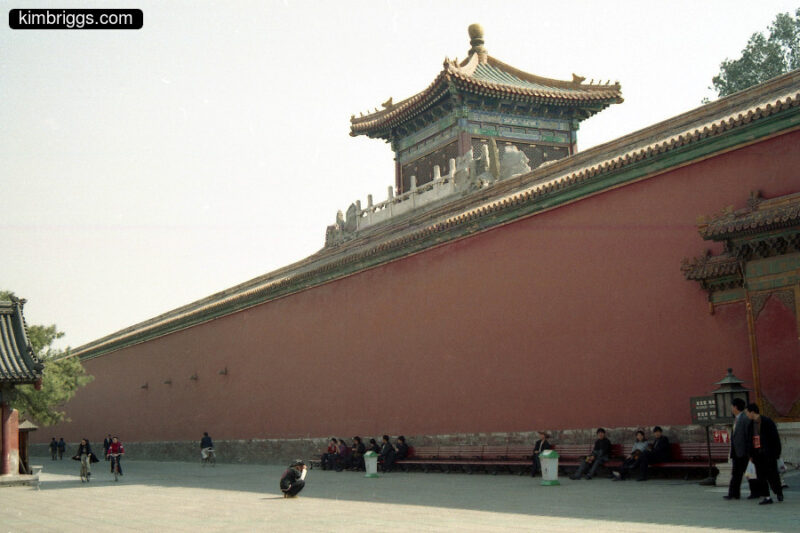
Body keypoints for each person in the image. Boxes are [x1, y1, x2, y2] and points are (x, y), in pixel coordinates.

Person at [745, 403, 784, 504]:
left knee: (773, 476)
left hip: (768, 454)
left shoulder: (767, 422)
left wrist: (776, 453)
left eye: (747, 412)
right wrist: (750, 455)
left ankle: (778, 492)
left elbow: (775, 438)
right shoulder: (750, 425)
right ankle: (767, 496)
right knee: (761, 477)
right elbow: (749, 440)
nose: (747, 415)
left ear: (752, 412)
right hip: (757, 454)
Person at [724, 398, 750, 500]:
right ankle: (733, 493)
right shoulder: (737, 419)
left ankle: (756, 492)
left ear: (735, 407)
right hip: (737, 452)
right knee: (736, 474)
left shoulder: (744, 418)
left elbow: (747, 436)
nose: (731, 408)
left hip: (743, 452)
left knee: (749, 474)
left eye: (732, 406)